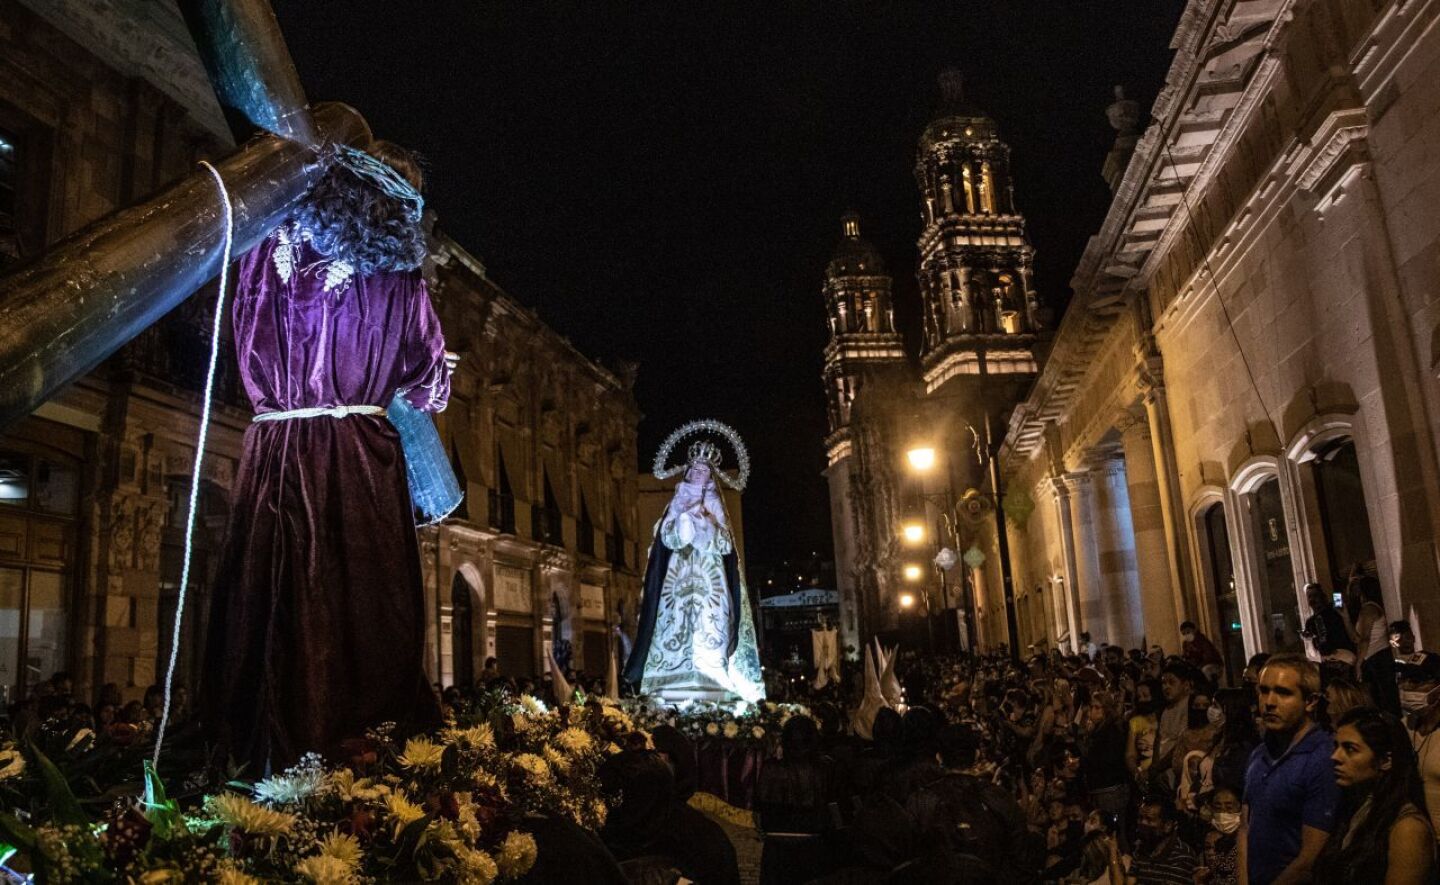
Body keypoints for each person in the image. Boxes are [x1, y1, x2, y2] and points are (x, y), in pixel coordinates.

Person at [202, 141, 448, 772]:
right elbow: (428, 381)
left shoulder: (265, 245)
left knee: (273, 592)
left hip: (275, 444)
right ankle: (363, 753)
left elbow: (235, 329)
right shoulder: (400, 274)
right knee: (362, 599)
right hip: (356, 456)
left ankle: (257, 746)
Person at [623, 430, 763, 702]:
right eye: (696, 469)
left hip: (710, 578)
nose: (700, 474)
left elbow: (726, 545)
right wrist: (685, 524)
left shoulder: (715, 504)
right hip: (678, 577)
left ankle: (713, 674)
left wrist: (707, 529)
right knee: (676, 622)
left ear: (711, 475)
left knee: (711, 624)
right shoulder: (677, 501)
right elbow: (666, 537)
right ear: (688, 472)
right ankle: (672, 675)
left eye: (704, 470)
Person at [1240, 653, 1340, 885]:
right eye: (1264, 691)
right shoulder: (1259, 753)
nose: (1269, 702)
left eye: (1283, 692)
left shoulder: (1322, 757)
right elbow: (1245, 827)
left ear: (1311, 701)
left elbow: (1310, 857)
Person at [1314, 707, 1435, 884]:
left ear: (1385, 761)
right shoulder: (1356, 807)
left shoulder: (1408, 829)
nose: (1335, 756)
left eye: (1350, 749)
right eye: (1336, 746)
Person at [1346, 572, 1400, 715]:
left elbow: (1363, 639)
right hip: (1377, 657)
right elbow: (1356, 638)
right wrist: (1344, 616)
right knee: (1385, 699)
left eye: (1357, 588)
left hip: (1376, 658)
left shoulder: (1368, 609)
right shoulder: (1371, 608)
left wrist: (1358, 664)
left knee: (1383, 700)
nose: (1354, 592)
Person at [1128, 794, 1195, 884]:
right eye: (1140, 818)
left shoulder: (1182, 856)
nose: (1142, 823)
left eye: (1149, 819)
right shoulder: (1141, 849)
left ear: (1167, 825)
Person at [1300, 583, 1357, 680]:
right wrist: (1308, 640)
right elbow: (1313, 652)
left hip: (1344, 657)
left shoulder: (1334, 610)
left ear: (1322, 596)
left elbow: (1339, 596)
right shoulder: (1310, 622)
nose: (1313, 599)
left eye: (1315, 595)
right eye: (1310, 597)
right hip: (1326, 662)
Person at [1195, 787, 1241, 885]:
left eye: (1229, 807)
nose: (1223, 812)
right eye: (1218, 808)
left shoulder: (1248, 839)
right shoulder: (1210, 837)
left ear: (1239, 807)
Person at [1126, 678, 1161, 784]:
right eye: (1139, 697)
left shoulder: (1165, 718)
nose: (1141, 700)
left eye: (1146, 696)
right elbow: (1130, 754)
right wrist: (1136, 772)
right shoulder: (1135, 722)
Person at [1390, 620, 1440, 686]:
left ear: (1413, 638)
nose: (1405, 642)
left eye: (1408, 638)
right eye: (1400, 640)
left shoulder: (1429, 658)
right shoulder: (1393, 665)